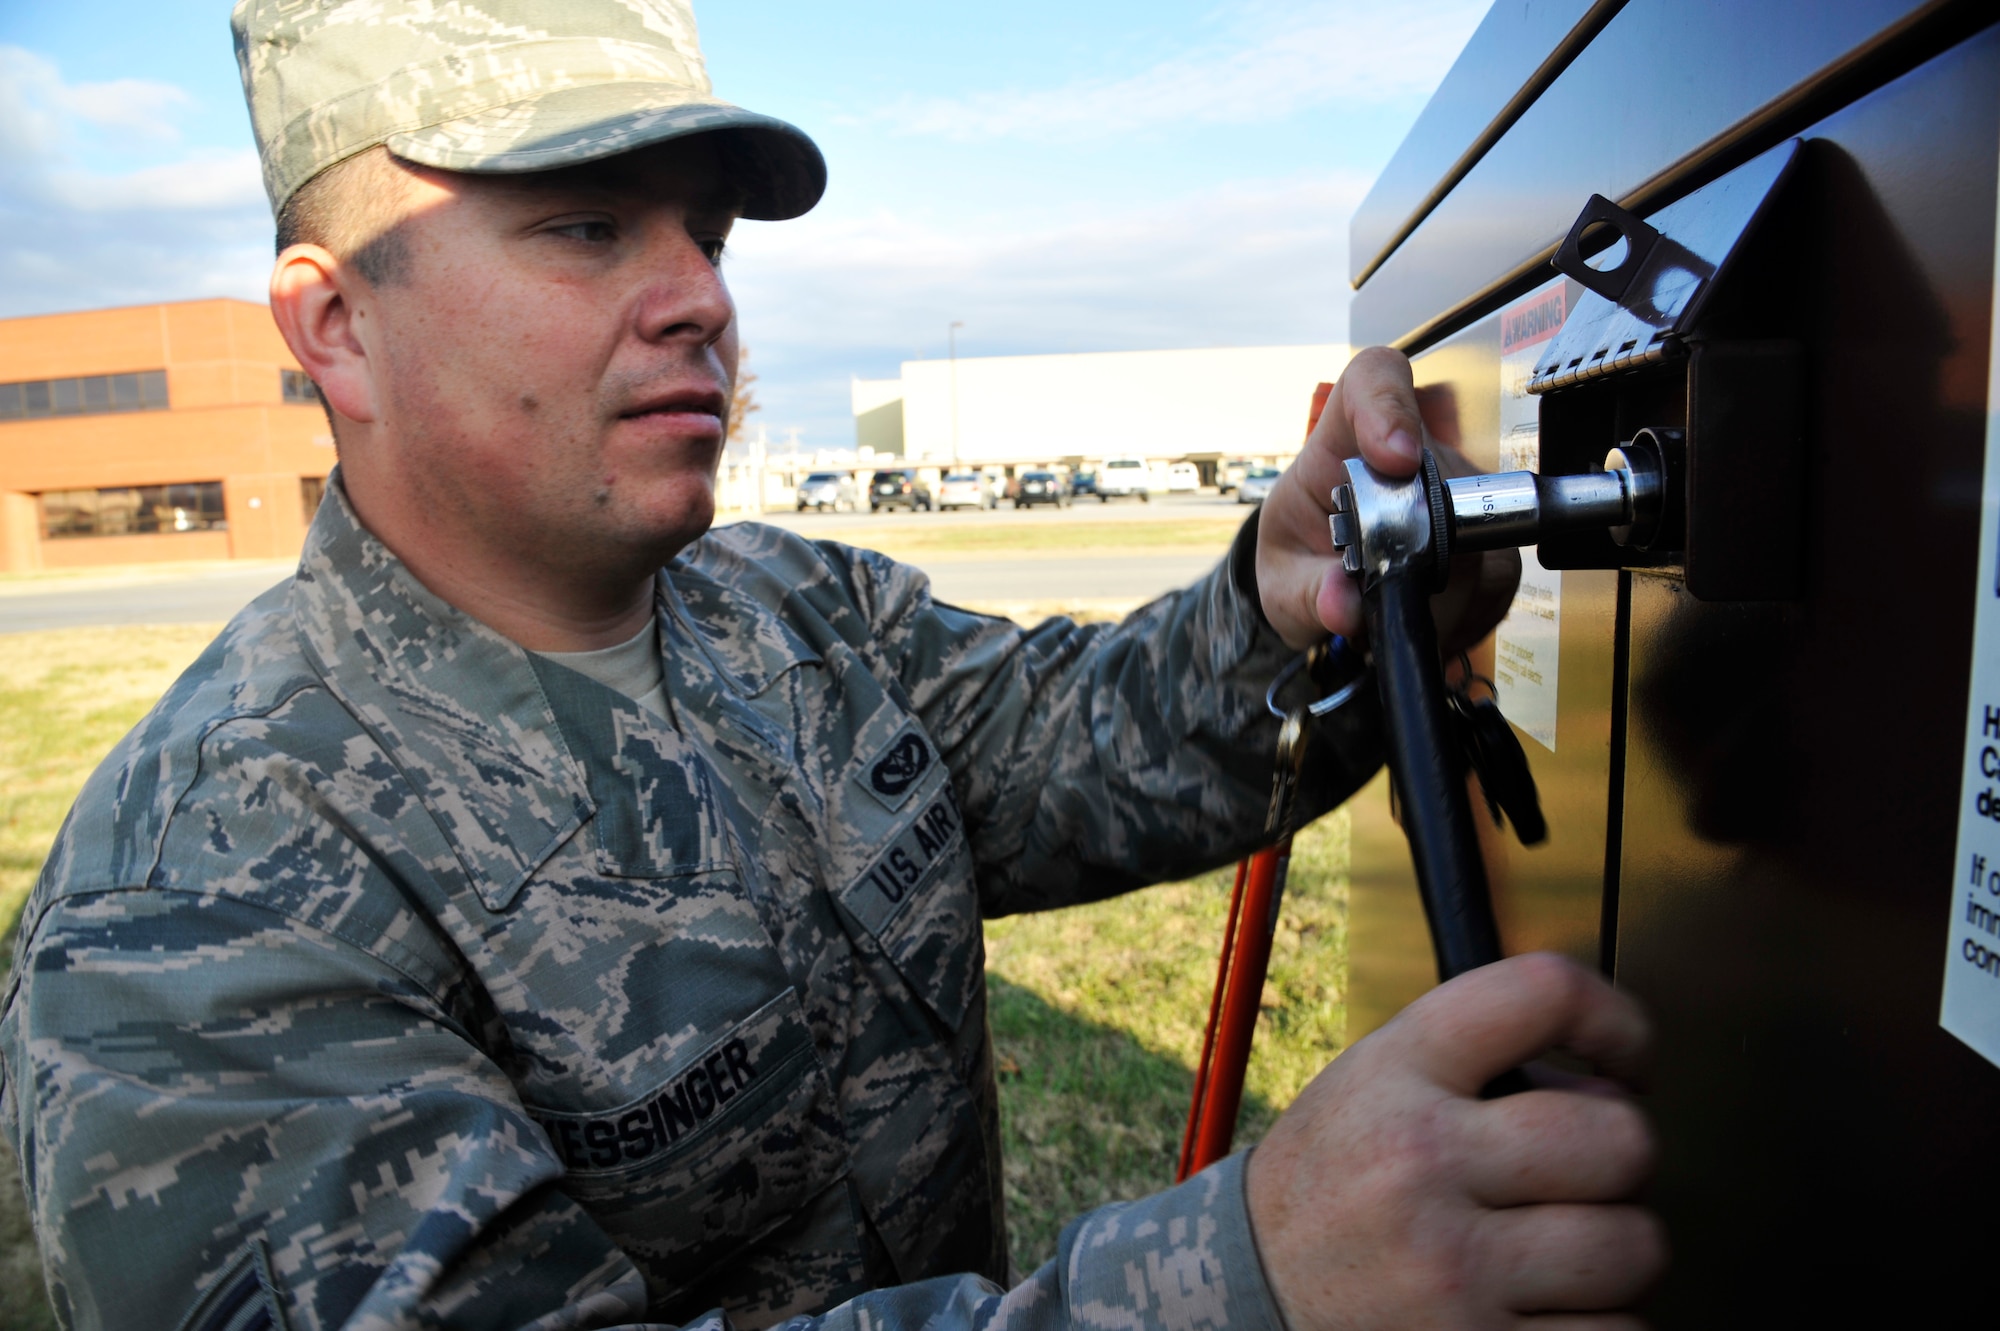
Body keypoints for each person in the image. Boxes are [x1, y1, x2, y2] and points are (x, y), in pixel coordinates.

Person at [0, 2, 1665, 1328]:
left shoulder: (788, 612)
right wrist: (1244, 1282)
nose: (701, 302)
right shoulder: (200, 911)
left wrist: (1282, 601)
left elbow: (1078, 748)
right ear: (334, 323)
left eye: (708, 234)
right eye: (586, 228)